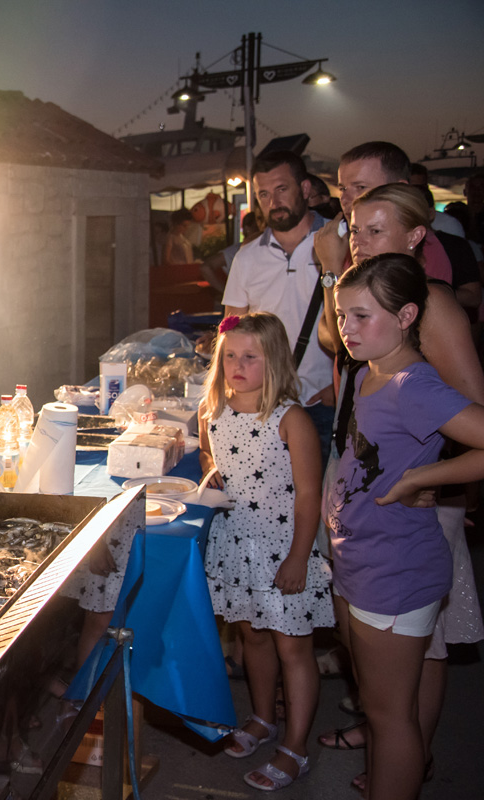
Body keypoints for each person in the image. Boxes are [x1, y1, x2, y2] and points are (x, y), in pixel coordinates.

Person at [313, 185, 484, 795]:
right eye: (342, 317)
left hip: (398, 570)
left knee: (391, 719)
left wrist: (423, 478)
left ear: (408, 316)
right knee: (381, 708)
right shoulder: (370, 372)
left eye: (362, 318)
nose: (348, 331)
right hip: (363, 560)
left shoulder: (415, 384)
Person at [198, 312, 331, 791]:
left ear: (273, 360)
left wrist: (299, 557)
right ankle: (262, 717)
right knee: (252, 636)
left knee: (293, 647)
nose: (238, 365)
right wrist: (211, 471)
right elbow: (213, 455)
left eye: (250, 357)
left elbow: (310, 493)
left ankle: (296, 746)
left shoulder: (290, 419)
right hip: (236, 544)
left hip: (283, 549)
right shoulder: (211, 411)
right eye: (230, 356)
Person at [222, 150, 335, 462]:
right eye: (263, 194)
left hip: (322, 403)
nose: (273, 201)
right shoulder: (247, 257)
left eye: (282, 189)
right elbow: (231, 330)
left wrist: (339, 388)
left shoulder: (340, 242)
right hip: (265, 405)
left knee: (321, 503)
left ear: (306, 189)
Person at [314, 141, 481, 314]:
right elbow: (328, 333)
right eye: (342, 188)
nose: (346, 199)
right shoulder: (354, 243)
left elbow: (340, 339)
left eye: (360, 187)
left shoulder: (423, 250)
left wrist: (330, 267)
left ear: (398, 187)